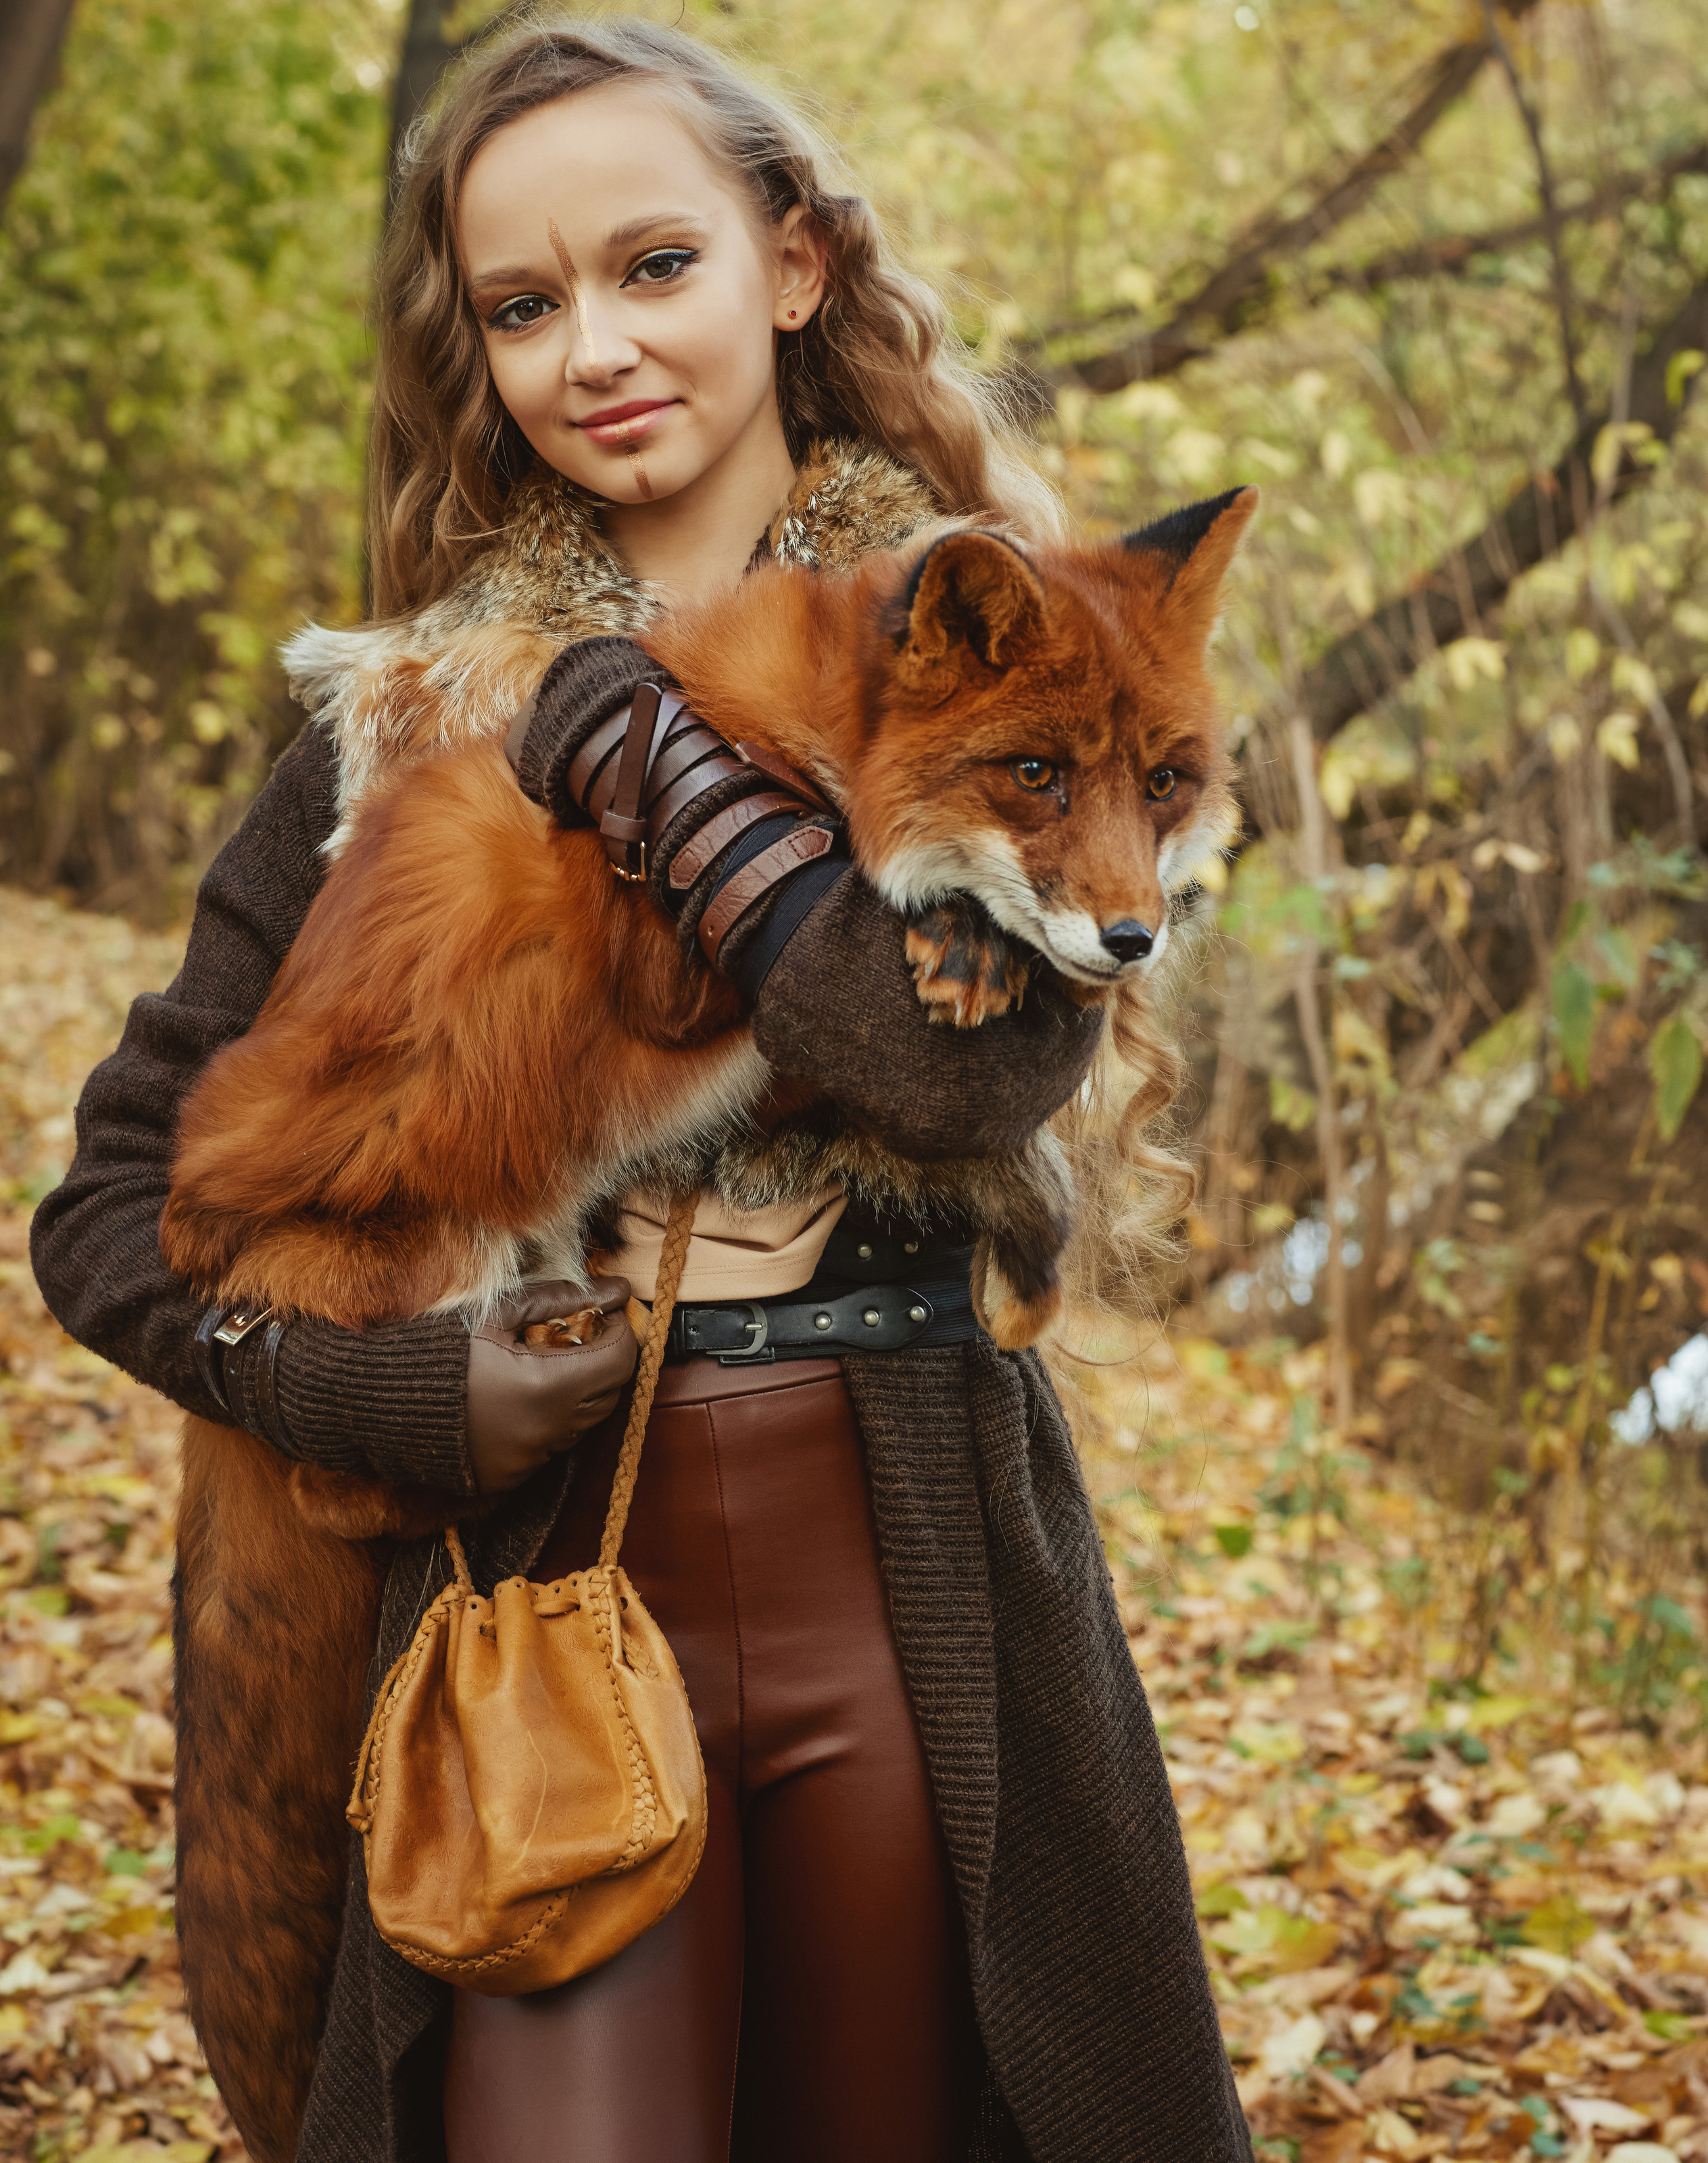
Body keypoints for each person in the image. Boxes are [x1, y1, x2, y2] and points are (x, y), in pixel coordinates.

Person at [31, 18, 1250, 2163]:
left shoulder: (1037, 672)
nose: (592, 345)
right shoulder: (406, 720)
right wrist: (386, 1400)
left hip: (913, 1571)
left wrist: (672, 771)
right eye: (523, 303)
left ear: (794, 265)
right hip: (543, 1587)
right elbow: (109, 1213)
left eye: (653, 265)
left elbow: (933, 1077)